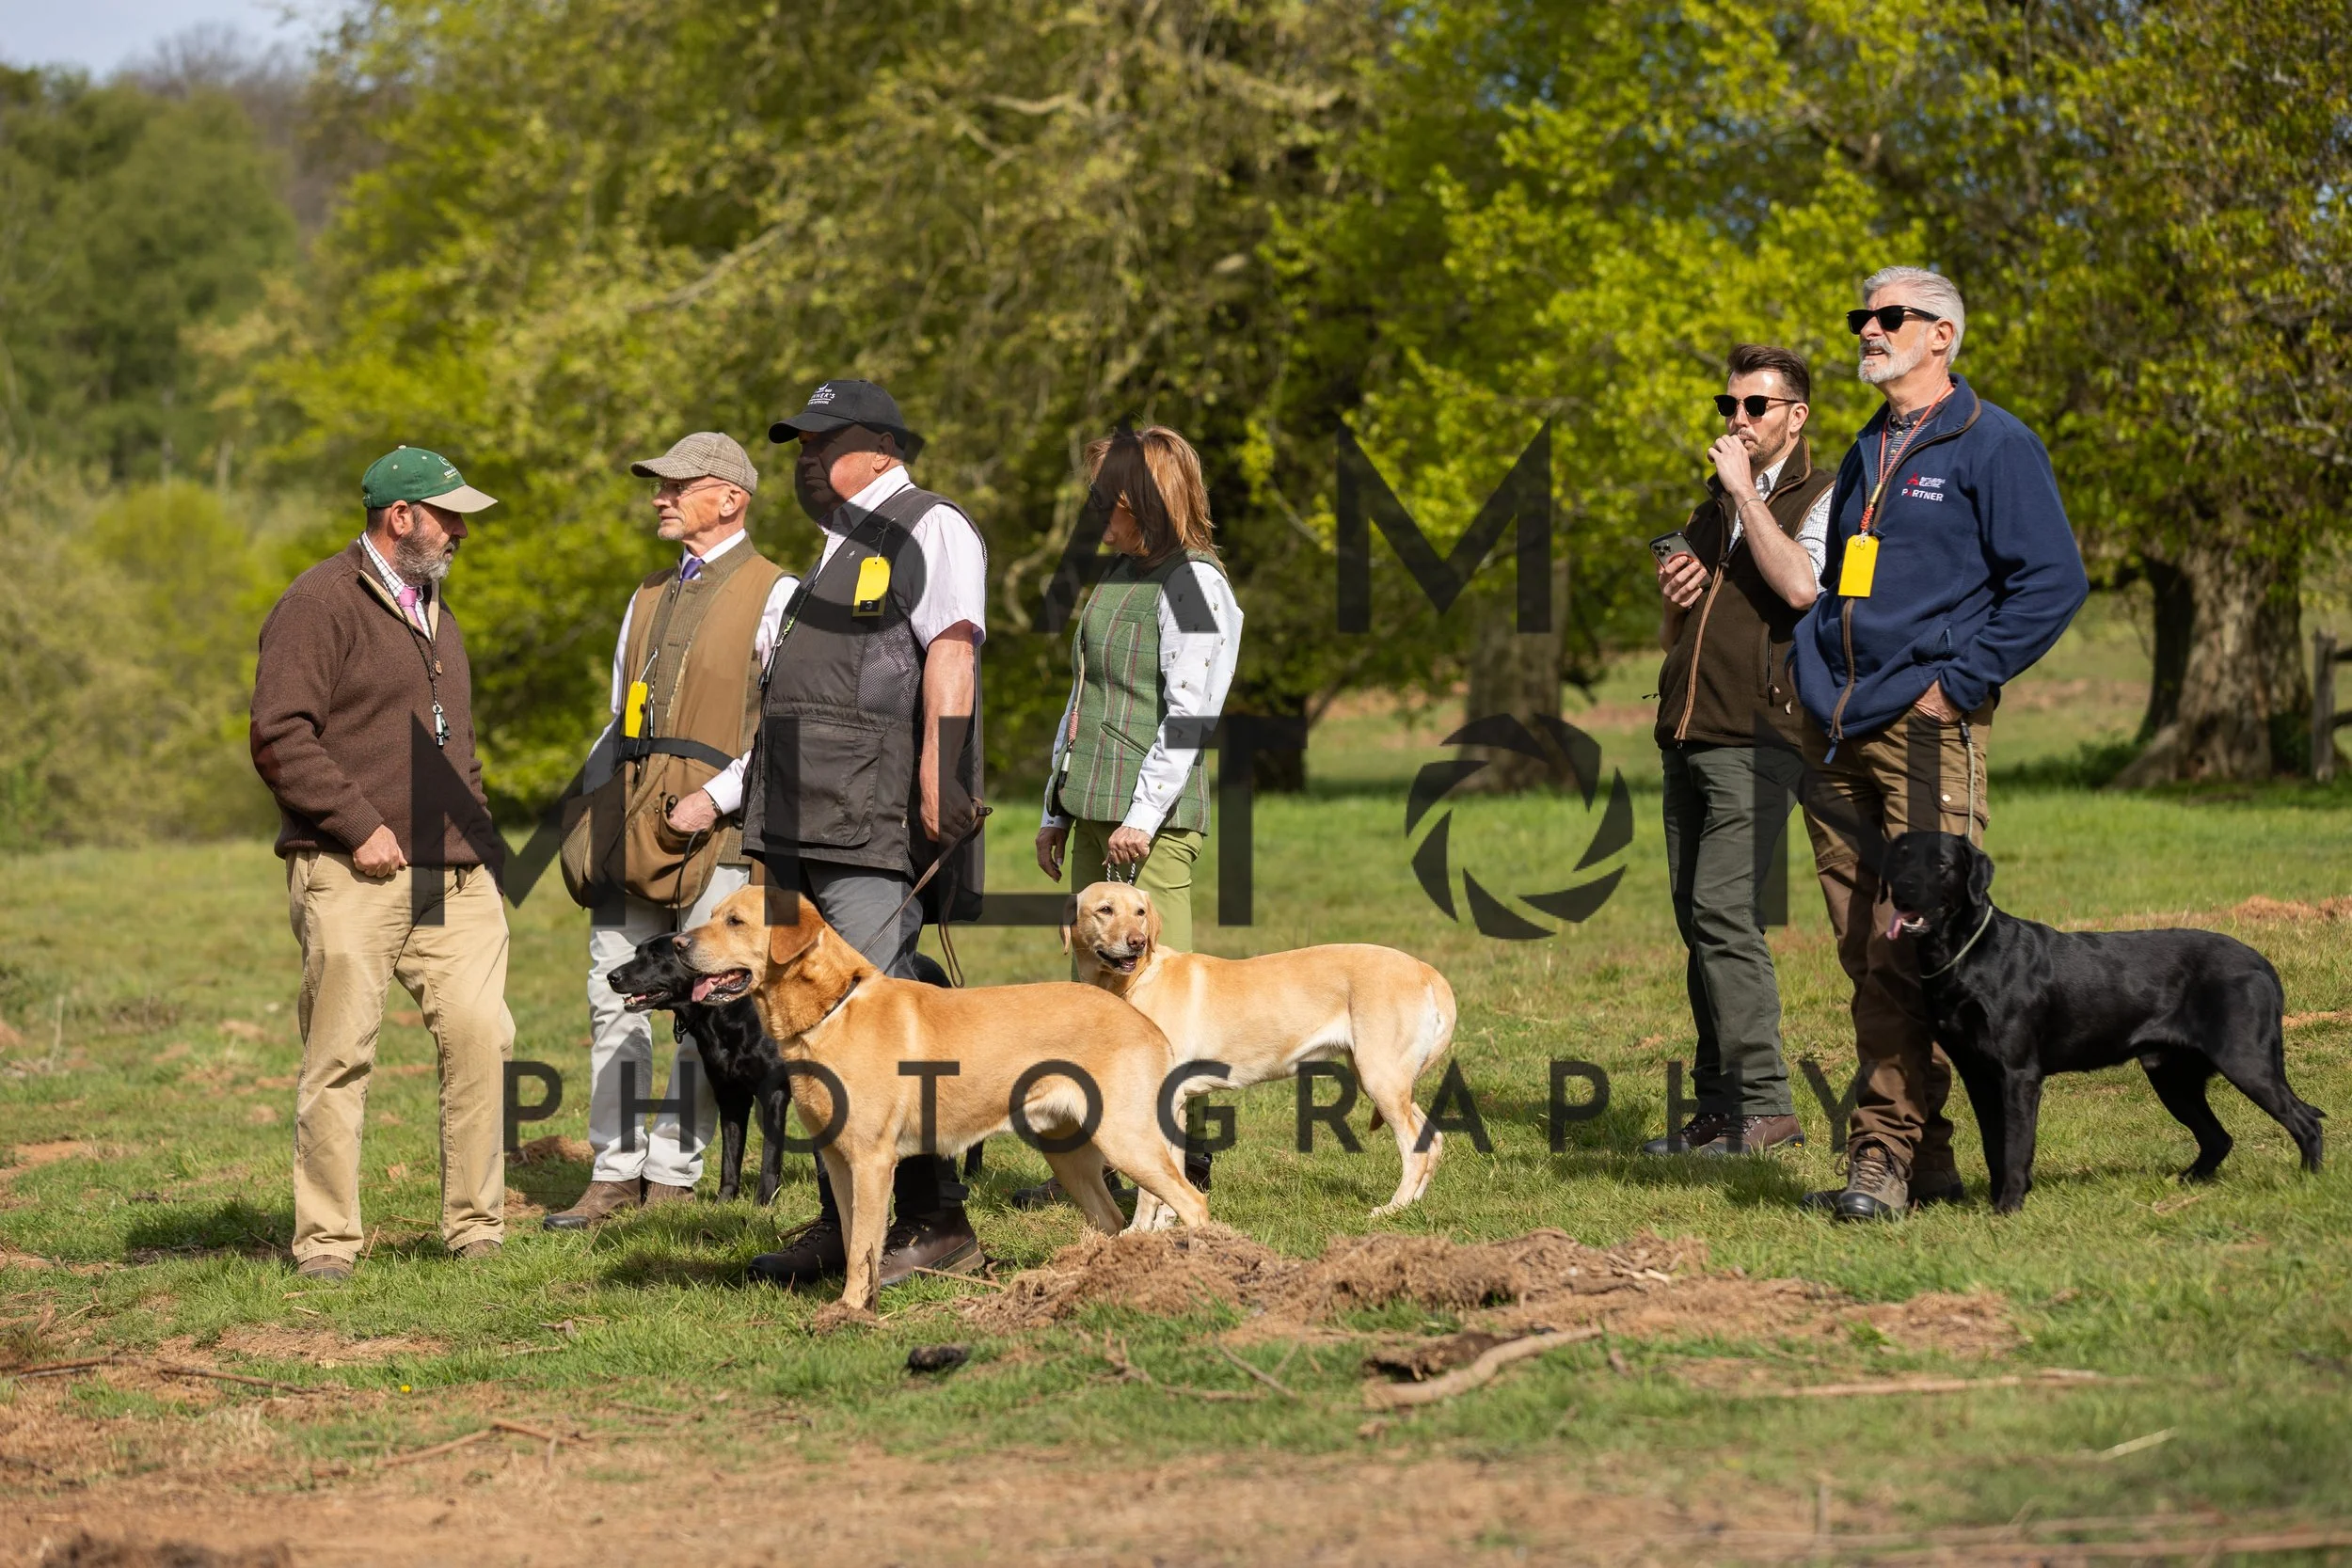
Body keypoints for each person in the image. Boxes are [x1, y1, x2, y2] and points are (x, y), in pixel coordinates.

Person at [1793, 266, 2088, 1219]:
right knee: (1862, 946)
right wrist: (1809, 668)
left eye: (1890, 318)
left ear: (1942, 337)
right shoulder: (1867, 447)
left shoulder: (1992, 443)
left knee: (1909, 947)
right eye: (1862, 317)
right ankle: (1923, 1159)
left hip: (1923, 731)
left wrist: (1952, 686)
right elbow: (1840, 580)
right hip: (1838, 730)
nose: (1868, 330)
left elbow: (2050, 581)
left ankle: (1877, 1158)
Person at [707, 380, 990, 1288]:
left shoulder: (929, 525)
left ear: (879, 447)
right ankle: (843, 1220)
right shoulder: (832, 552)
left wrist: (941, 777)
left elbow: (951, 649)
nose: (806, 462)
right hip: (796, 819)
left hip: (869, 821)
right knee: (808, 1029)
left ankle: (936, 1219)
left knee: (881, 1021)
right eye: (797, 446)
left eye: (820, 443)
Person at [249, 446, 511, 1282]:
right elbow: (280, 733)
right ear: (400, 516)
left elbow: (454, 742)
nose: (462, 530)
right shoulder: (317, 603)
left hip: (454, 875)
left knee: (482, 1036)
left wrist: (481, 842)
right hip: (350, 868)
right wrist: (358, 824)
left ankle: (476, 1227)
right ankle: (327, 1242)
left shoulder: (438, 608)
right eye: (449, 514)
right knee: (340, 1056)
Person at [545, 433, 794, 1229]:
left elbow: (784, 726)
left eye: (676, 485)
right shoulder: (644, 594)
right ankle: (613, 1171)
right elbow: (622, 714)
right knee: (610, 995)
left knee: (704, 1004)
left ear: (731, 498)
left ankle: (676, 1173)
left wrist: (716, 798)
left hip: (715, 834)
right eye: (658, 485)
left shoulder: (778, 591)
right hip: (633, 822)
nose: (659, 497)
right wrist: (583, 805)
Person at [1023, 424, 1241, 1207]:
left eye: (1108, 498)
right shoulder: (1116, 574)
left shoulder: (1197, 585)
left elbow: (1189, 714)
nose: (1097, 512)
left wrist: (1143, 815)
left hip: (1148, 823)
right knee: (1091, 997)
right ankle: (1098, 1156)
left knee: (1158, 1003)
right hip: (1090, 811)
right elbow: (1084, 700)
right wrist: (1056, 804)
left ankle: (1180, 1163)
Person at [1642, 345, 1834, 1158]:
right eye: (1729, 407)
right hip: (1688, 728)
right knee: (1698, 919)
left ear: (1795, 415)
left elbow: (1799, 588)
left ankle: (1768, 1105)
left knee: (1724, 912)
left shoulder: (1823, 495)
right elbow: (1682, 627)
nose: (1738, 421)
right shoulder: (1712, 506)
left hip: (1761, 734)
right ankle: (1721, 1108)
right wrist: (1675, 600)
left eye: (1756, 406)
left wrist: (1742, 497)